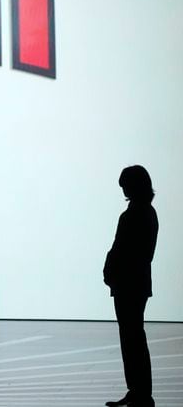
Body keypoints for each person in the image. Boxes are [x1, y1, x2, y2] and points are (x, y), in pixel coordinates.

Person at [104, 165, 159, 407]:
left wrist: (111, 270)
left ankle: (138, 390)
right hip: (136, 282)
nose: (124, 190)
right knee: (134, 336)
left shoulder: (133, 215)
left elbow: (121, 249)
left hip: (128, 283)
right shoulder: (148, 213)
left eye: (125, 186)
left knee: (131, 337)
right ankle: (139, 390)